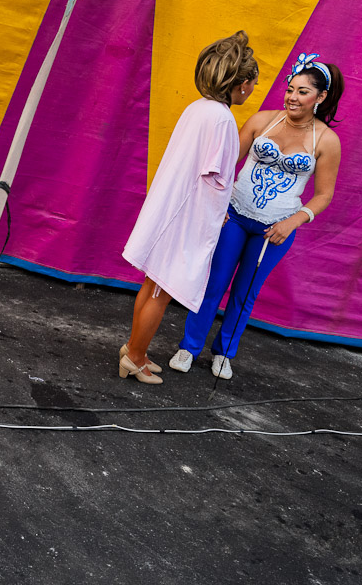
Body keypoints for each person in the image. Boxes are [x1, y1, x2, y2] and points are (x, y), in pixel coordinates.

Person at [169, 53, 344, 379]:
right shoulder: (262, 120)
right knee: (213, 284)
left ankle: (224, 353)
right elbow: (224, 166)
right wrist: (216, 206)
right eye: (290, 89)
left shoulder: (327, 141)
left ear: (320, 97)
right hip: (234, 216)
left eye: (303, 92)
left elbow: (324, 195)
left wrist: (293, 221)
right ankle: (188, 346)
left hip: (275, 230)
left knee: (245, 292)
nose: (292, 97)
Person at [119, 31, 259, 384]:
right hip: (183, 218)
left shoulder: (199, 108)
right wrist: (222, 209)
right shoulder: (223, 120)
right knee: (160, 292)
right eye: (254, 82)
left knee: (151, 284)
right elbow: (216, 178)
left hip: (170, 208)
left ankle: (134, 349)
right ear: (242, 84)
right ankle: (133, 357)